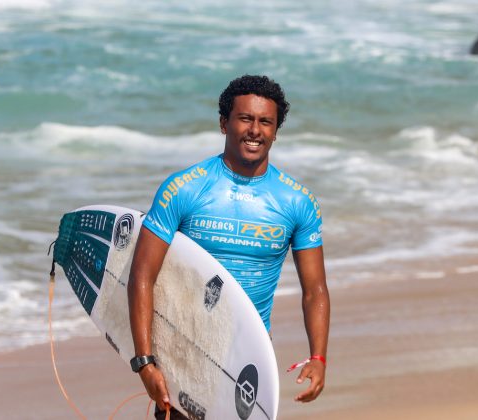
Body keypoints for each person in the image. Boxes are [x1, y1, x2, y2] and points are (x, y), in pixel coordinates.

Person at [127, 75, 330, 419]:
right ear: (224, 124)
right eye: (245, 119)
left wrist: (319, 357)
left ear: (276, 131)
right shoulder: (183, 189)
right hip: (184, 348)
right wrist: (144, 361)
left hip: (248, 354)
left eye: (266, 121)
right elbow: (141, 276)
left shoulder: (298, 202)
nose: (255, 130)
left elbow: (315, 290)